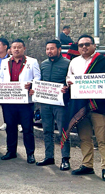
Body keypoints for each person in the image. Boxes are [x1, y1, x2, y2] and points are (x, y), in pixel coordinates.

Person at [65, 34, 105, 182]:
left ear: (94, 46)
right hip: (80, 106)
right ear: (78, 47)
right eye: (81, 45)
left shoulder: (104, 61)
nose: (84, 47)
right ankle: (87, 165)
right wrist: (69, 84)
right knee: (84, 138)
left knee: (103, 139)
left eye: (87, 44)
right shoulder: (74, 62)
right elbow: (68, 79)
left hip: (99, 106)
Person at [0, 39, 41, 163]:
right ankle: (11, 151)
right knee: (10, 127)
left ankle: (30, 154)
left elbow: (37, 77)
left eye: (19, 47)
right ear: (10, 49)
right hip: (8, 100)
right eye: (14, 47)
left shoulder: (32, 62)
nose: (16, 49)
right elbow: (1, 78)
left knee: (27, 128)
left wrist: (31, 84)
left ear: (24, 48)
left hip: (25, 101)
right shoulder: (5, 62)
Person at [35, 39, 71, 170]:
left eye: (52, 49)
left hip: (61, 103)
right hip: (45, 103)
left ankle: (65, 158)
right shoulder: (43, 64)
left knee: (63, 130)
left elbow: (71, 81)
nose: (49, 51)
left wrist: (67, 88)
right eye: (47, 49)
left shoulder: (68, 63)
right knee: (47, 130)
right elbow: (40, 82)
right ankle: (49, 156)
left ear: (59, 49)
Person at [0, 38, 10, 131]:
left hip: (6, 88)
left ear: (5, 47)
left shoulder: (11, 59)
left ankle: (9, 122)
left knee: (7, 108)